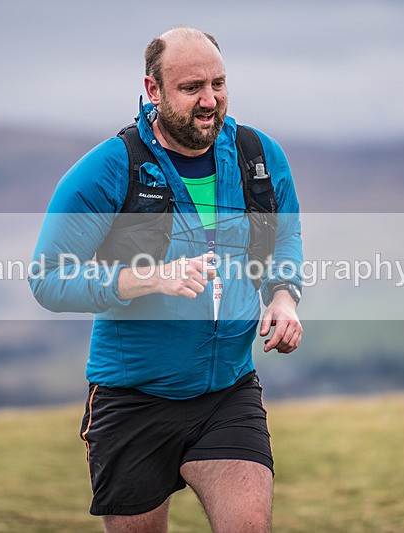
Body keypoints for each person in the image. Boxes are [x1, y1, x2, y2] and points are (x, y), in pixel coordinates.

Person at [29, 26, 303, 533]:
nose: (209, 100)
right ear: (152, 90)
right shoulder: (111, 167)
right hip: (132, 398)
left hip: (228, 391)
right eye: (191, 87)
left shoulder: (258, 157)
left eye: (218, 84)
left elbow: (283, 238)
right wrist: (146, 279)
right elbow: (47, 278)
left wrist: (284, 296)